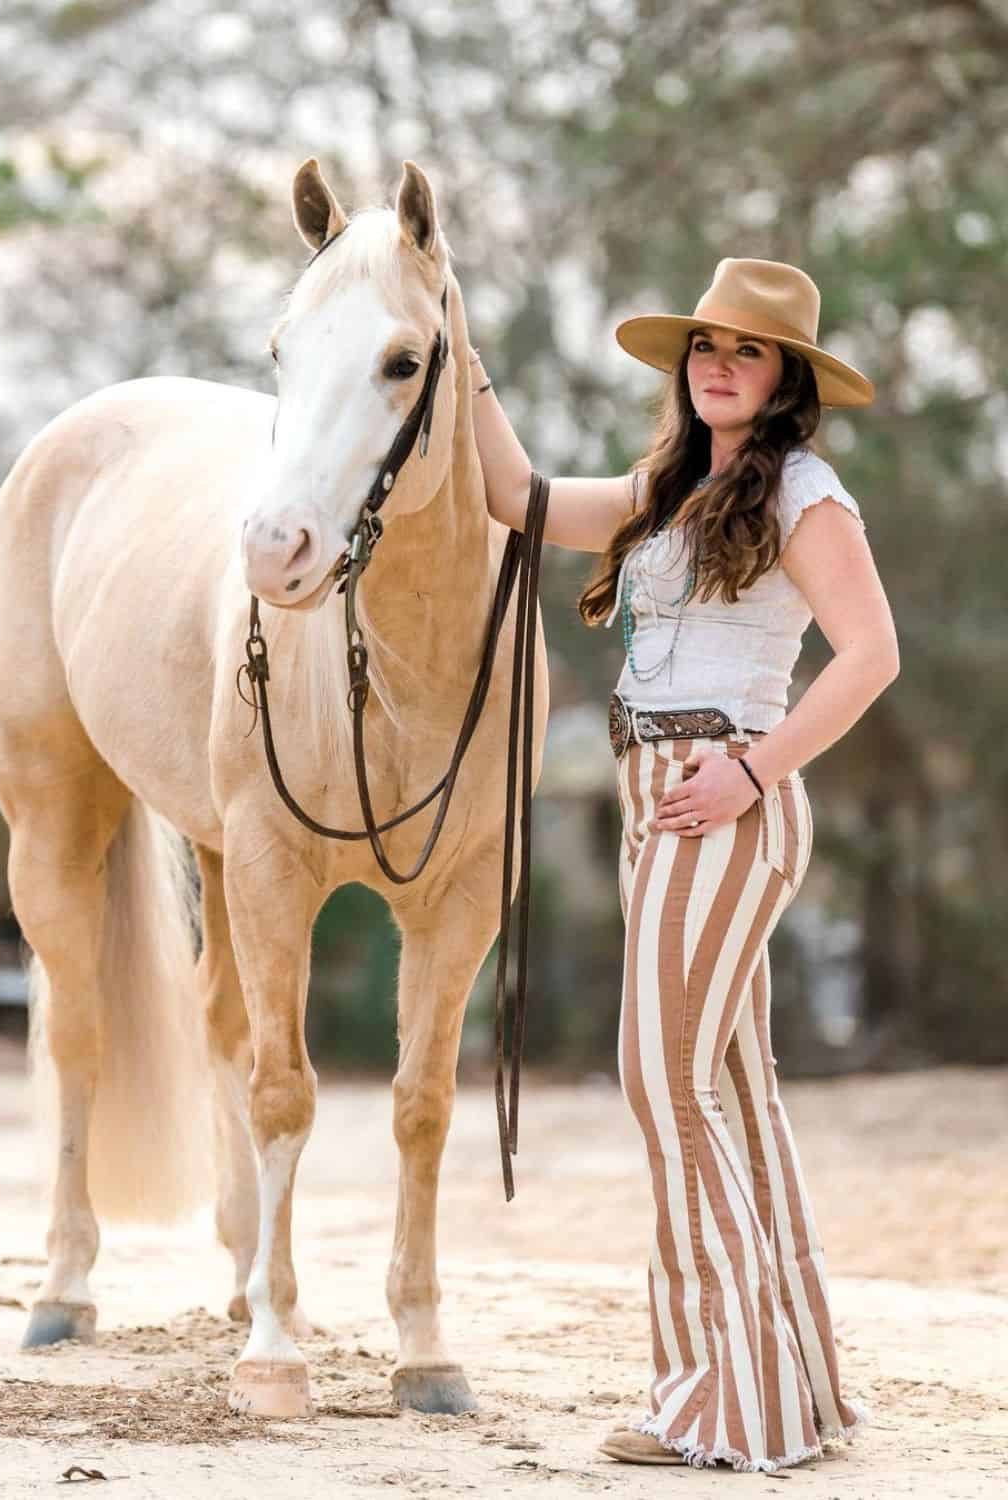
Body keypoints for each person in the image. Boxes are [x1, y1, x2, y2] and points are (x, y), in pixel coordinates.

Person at [469, 258, 898, 1473]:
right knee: (732, 1096)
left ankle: (726, 1402)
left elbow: (871, 655)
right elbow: (516, 495)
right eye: (705, 345)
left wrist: (756, 771)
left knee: (664, 1086)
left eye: (747, 351)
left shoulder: (805, 491)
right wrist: (456, 341)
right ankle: (783, 1391)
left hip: (725, 797)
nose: (717, 363)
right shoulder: (668, 488)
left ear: (787, 381)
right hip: (658, 790)